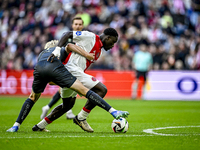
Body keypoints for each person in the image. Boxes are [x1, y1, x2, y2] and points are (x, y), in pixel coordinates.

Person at [6, 29, 129, 132]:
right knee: (101, 89)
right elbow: (67, 34)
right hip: (72, 69)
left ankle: (40, 126)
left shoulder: (99, 49)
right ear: (107, 38)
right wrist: (57, 49)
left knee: (67, 105)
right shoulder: (91, 37)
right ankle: (82, 117)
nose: (113, 46)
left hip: (70, 72)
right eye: (113, 42)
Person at [40, 16, 84, 120]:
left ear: (82, 26)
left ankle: (47, 107)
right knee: (70, 87)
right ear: (72, 25)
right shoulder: (66, 38)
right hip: (65, 66)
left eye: (80, 24)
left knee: (66, 89)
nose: (78, 26)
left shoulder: (84, 39)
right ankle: (67, 111)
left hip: (76, 67)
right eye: (76, 24)